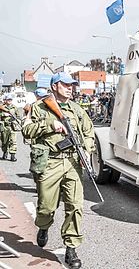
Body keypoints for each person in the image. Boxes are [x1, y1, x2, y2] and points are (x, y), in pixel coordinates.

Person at [22, 72, 95, 268]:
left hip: (72, 163)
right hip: (50, 163)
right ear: (54, 86)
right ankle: (44, 226)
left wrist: (86, 150)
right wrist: (49, 125)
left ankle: (71, 248)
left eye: (72, 85)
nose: (70, 88)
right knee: (46, 206)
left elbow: (89, 132)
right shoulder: (39, 107)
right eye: (65, 85)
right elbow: (26, 131)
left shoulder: (77, 109)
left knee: (75, 206)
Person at [0, 93, 20, 161]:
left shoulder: (15, 107)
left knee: (13, 141)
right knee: (4, 141)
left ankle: (13, 155)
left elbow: (18, 116)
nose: (9, 101)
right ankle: (5, 153)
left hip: (12, 127)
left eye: (10, 99)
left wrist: (15, 120)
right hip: (5, 127)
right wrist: (3, 114)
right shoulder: (2, 107)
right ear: (5, 100)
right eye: (8, 99)